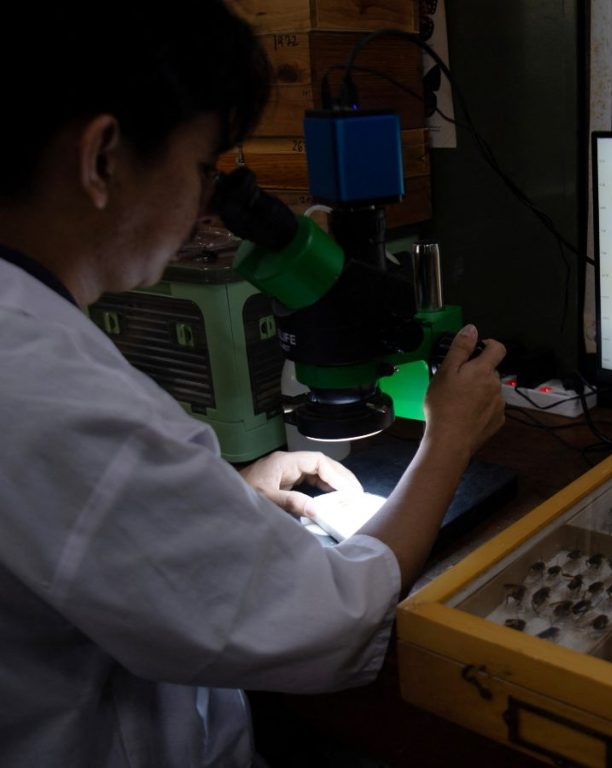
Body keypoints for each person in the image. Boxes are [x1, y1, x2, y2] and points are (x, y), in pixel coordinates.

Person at [0, 2, 506, 766]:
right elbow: (335, 620)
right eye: (206, 168)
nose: (211, 206)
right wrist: (450, 442)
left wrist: (216, 495)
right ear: (104, 158)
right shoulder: (56, 399)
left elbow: (73, 530)